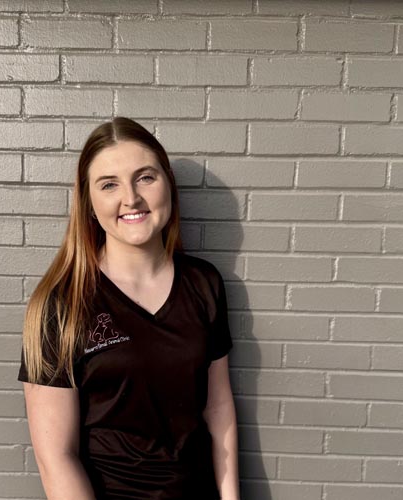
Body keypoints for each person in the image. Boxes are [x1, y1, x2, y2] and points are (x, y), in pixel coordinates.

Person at [18, 117, 240, 500]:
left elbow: (217, 409)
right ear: (88, 202)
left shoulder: (204, 284)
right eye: (109, 185)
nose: (131, 198)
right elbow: (56, 457)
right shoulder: (60, 304)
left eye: (145, 178)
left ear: (167, 184)